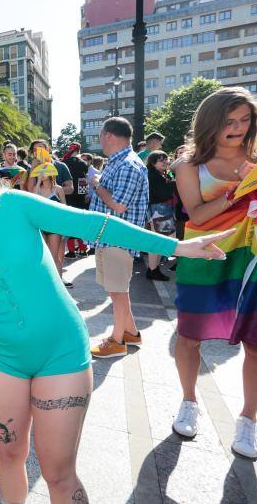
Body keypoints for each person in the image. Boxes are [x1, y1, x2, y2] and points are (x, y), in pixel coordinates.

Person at [0, 150, 231, 504]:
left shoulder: (15, 205)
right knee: (8, 455)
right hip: (1, 361)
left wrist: (177, 246)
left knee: (57, 472)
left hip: (60, 354)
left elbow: (94, 224)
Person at [172, 87, 257, 459]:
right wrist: (239, 193)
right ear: (210, 124)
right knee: (189, 335)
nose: (237, 128)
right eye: (228, 121)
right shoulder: (188, 164)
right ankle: (189, 401)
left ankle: (248, 420)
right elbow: (197, 214)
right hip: (206, 255)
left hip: (256, 255)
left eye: (245, 119)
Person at [89, 117, 150, 359]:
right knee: (117, 290)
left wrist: (96, 184)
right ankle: (131, 333)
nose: (100, 140)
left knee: (118, 291)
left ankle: (117, 341)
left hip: (118, 238)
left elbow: (119, 205)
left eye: (101, 135)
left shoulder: (127, 164)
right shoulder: (120, 162)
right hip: (110, 237)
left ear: (109, 136)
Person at [31, 164, 70, 287]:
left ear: (51, 173)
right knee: (42, 256)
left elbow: (65, 207)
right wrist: (37, 181)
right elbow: (34, 200)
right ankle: (45, 282)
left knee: (54, 256)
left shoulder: (58, 189)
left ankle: (58, 282)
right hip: (40, 227)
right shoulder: (37, 189)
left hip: (54, 227)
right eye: (39, 172)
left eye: (44, 172)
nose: (41, 174)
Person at [145, 150, 176, 281]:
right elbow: (164, 194)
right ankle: (153, 270)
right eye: (161, 160)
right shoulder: (154, 176)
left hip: (159, 210)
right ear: (153, 163)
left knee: (158, 241)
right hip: (160, 210)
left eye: (166, 159)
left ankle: (153, 269)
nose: (165, 162)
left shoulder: (157, 174)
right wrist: (174, 182)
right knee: (158, 241)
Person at [61, 143, 91, 258]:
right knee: (80, 224)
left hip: (68, 196)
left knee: (69, 224)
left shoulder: (65, 163)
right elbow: (84, 180)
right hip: (80, 197)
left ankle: (72, 251)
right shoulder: (83, 163)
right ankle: (83, 249)